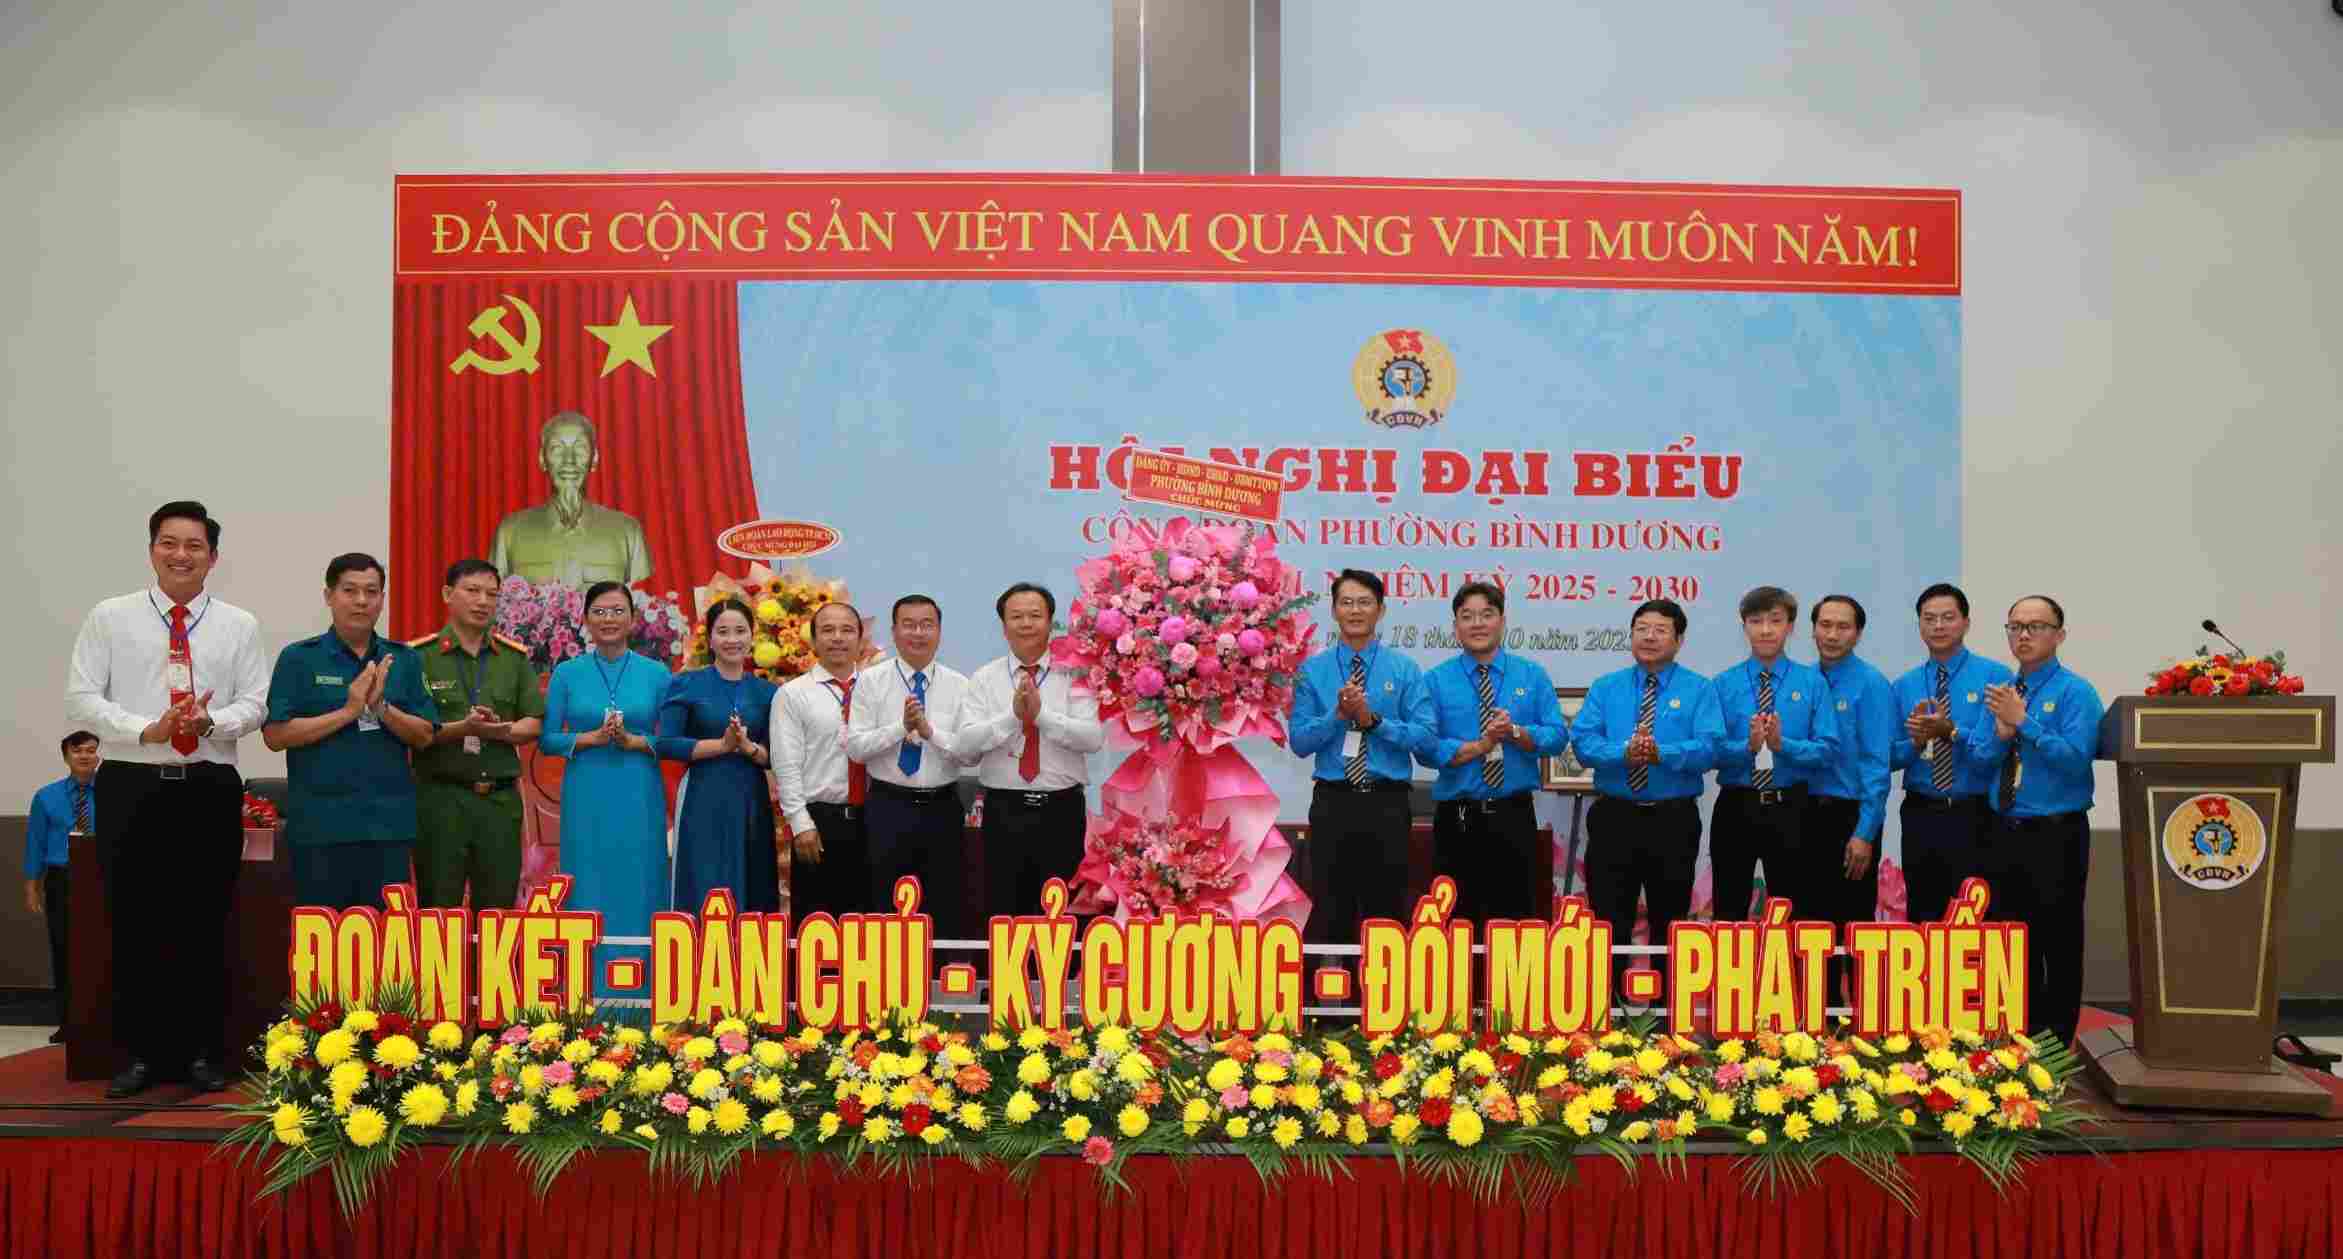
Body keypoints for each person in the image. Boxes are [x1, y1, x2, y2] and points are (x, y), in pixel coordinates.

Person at [64, 499, 270, 1098]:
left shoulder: (239, 625)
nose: (182, 555)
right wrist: (144, 730)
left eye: (195, 546)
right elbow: (82, 699)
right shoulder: (111, 616)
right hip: (132, 781)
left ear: (214, 557)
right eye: (169, 543)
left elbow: (255, 703)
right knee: (132, 922)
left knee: (205, 921)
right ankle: (138, 1056)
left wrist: (210, 723)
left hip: (207, 786)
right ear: (152, 548)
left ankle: (203, 1054)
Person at [263, 554, 438, 910]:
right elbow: (275, 736)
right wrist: (348, 711)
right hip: (320, 829)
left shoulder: (404, 659)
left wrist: (381, 709)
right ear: (329, 596)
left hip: (387, 830)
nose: (361, 601)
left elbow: (425, 735)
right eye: (350, 590)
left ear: (382, 599)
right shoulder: (299, 658)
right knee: (323, 948)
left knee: (387, 949)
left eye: (372, 592)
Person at [1966, 595, 2103, 1048]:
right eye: (2015, 627)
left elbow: (2076, 761)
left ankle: (2055, 1048)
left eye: (2036, 627)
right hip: (2002, 831)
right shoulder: (2005, 690)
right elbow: (1984, 757)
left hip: (2055, 833)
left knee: (2057, 942)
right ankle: (2012, 1042)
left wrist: (2024, 724)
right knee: (2008, 942)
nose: (2023, 635)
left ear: (2059, 635)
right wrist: (2003, 734)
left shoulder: (2075, 692)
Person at [1569, 599, 1723, 993]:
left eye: (1660, 629)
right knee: (1608, 920)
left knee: (1668, 921)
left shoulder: (1699, 690)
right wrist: (1624, 752)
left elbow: (1710, 749)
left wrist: (1662, 754)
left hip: (1671, 820)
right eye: (1642, 628)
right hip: (1614, 817)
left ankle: (1666, 1020)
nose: (1649, 637)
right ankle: (1608, 1017)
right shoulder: (1608, 687)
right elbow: (1583, 743)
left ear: (1679, 639)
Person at [540, 581, 672, 1004]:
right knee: (588, 881)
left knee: (641, 879)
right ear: (585, 620)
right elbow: (547, 739)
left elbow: (670, 740)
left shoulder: (657, 674)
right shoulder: (567, 673)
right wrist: (591, 738)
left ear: (633, 620)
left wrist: (637, 742)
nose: (609, 620)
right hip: (587, 794)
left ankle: (645, 995)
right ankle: (585, 995)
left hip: (638, 792)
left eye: (618, 611)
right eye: (599, 611)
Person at [1289, 569, 1433, 950]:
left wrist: (1374, 722)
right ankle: (1329, 1007)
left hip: (1386, 803)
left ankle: (1384, 1004)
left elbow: (1424, 736)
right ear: (1334, 611)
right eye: (1347, 602)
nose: (1356, 610)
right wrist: (1337, 717)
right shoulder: (1312, 671)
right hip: (1333, 801)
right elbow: (1300, 742)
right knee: (1330, 908)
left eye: (1365, 602)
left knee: (1385, 910)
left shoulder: (1403, 670)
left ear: (1381, 610)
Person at [1415, 582, 1569, 924]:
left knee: (1512, 923)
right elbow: (1425, 748)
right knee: (1456, 924)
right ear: (1455, 627)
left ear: (1502, 621)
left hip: (1513, 816)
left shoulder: (1531, 675)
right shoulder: (1437, 680)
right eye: (1467, 616)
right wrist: (1478, 747)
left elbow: (1557, 737)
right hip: (1457, 819)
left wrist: (1514, 733)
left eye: (1487, 614)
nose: (1477, 623)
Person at [958, 583, 1104, 920]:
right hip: (1003, 811)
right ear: (1003, 626)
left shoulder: (1075, 674)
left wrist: (1042, 717)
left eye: (1035, 616)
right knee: (1004, 909)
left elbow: (1092, 738)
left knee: (1060, 912)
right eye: (1017, 616)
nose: (1026, 624)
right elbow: (966, 748)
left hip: (1061, 812)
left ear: (1051, 622)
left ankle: (1059, 975)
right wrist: (1013, 717)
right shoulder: (984, 679)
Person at [407, 559, 545, 910]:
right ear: (447, 594)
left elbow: (535, 722)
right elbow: (411, 729)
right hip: (441, 799)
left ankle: (492, 969)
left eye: (492, 594)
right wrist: (462, 729)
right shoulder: (419, 657)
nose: (483, 601)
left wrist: (503, 731)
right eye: (472, 591)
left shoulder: (512, 658)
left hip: (498, 803)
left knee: (497, 913)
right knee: (438, 912)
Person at [1707, 587, 1838, 923]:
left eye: (1775, 621)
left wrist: (1784, 745)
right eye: (1756, 621)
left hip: (1793, 807)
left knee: (1795, 909)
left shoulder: (1812, 682)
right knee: (1729, 908)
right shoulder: (1723, 684)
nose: (1765, 630)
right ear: (1744, 627)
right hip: (1737, 805)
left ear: (1790, 627)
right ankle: (1732, 977)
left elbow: (1827, 750)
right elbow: (1711, 751)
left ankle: (1790, 976)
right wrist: (1747, 747)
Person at [845, 595, 971, 937]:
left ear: (940, 631)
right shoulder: (870, 681)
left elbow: (970, 754)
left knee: (944, 906)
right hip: (888, 806)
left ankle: (941, 986)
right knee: (885, 906)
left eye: (927, 624)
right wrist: (901, 727)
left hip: (942, 807)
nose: (918, 633)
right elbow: (856, 748)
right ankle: (887, 986)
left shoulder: (960, 685)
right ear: (895, 631)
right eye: (909, 624)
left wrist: (931, 733)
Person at [1889, 583, 2013, 925]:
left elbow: (1991, 753)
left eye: (1948, 618)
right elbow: (1889, 757)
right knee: (1924, 916)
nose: (1938, 626)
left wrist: (1951, 731)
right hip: (1920, 814)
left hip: (1976, 815)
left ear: (1966, 623)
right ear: (1920, 627)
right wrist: (1914, 742)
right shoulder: (1904, 685)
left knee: (1978, 919)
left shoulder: (1995, 676)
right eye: (1929, 619)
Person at [658, 599, 781, 915]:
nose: (732, 640)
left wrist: (747, 747)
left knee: (753, 878)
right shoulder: (686, 683)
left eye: (740, 631)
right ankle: (697, 957)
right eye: (723, 631)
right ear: (709, 638)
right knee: (704, 878)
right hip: (703, 793)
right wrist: (722, 746)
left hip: (751, 796)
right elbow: (667, 744)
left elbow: (775, 755)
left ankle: (750, 961)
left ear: (752, 637)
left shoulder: (767, 693)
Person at [1806, 594, 1895, 1005]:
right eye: (1825, 624)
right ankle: (1817, 1020)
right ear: (1812, 629)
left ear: (1858, 633)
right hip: (1804, 814)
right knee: (1811, 926)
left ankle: (1859, 1023)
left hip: (1849, 817)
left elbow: (1878, 763)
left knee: (1853, 924)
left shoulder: (1871, 684)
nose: (1832, 634)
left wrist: (1865, 832)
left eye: (1842, 626)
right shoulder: (1804, 681)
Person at [775, 601, 872, 918]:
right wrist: (800, 825)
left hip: (876, 819)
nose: (838, 638)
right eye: (827, 630)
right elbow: (786, 766)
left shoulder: (879, 689)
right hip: (820, 824)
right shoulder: (793, 694)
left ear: (861, 639)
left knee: (871, 927)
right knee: (818, 929)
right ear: (813, 641)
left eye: (847, 630)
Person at [487, 411, 655, 588]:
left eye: (580, 448)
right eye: (557, 449)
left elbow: (642, 605)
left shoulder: (628, 532)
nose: (569, 460)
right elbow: (492, 606)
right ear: (542, 459)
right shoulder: (510, 532)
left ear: (594, 459)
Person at [24, 732, 100, 1043]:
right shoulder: (46, 797)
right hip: (61, 879)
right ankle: (68, 1022)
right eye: (77, 751)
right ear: (66, 756)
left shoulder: (113, 793)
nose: (84, 756)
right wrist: (32, 887)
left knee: (102, 950)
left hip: (102, 877)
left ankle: (102, 1020)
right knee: (64, 949)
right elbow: (35, 844)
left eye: (91, 751)